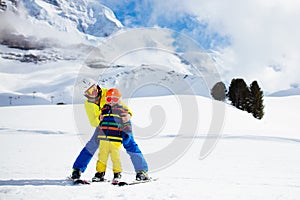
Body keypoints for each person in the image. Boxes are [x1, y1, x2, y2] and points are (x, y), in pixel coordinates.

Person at [71, 83, 149, 181]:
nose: (93, 91)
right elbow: (93, 122)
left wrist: (128, 115)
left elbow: (123, 107)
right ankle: (77, 169)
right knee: (92, 144)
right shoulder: (88, 104)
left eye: (94, 88)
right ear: (86, 94)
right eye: (90, 91)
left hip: (121, 120)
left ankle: (142, 171)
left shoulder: (107, 93)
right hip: (104, 123)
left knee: (129, 143)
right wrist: (99, 119)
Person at [92, 88, 127, 182]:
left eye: (115, 99)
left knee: (115, 157)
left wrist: (125, 132)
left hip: (115, 139)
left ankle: (117, 173)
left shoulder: (121, 110)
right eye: (108, 99)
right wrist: (99, 118)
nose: (111, 101)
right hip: (104, 139)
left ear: (119, 100)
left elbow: (126, 123)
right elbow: (101, 122)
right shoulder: (104, 109)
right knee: (101, 157)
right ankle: (100, 173)